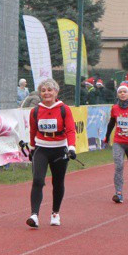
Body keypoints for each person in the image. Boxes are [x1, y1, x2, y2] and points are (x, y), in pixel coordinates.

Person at [25, 78, 76, 228]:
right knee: (38, 180)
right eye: (43, 90)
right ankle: (34, 215)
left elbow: (70, 129)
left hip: (60, 149)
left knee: (58, 182)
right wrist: (32, 148)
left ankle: (55, 213)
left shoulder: (63, 109)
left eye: (49, 90)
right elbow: (33, 131)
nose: (46, 93)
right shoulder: (35, 111)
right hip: (42, 148)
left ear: (56, 92)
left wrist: (71, 147)